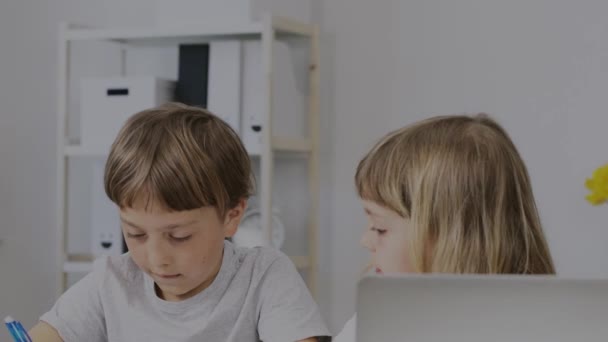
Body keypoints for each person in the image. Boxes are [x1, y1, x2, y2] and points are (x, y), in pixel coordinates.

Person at [30, 103, 330, 342]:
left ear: (232, 216)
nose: (157, 258)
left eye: (179, 236)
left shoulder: (264, 277)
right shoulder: (112, 282)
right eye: (135, 234)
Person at [335, 113, 555, 341]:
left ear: (453, 239)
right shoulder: (373, 323)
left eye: (380, 228)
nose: (365, 241)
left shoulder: (539, 329)